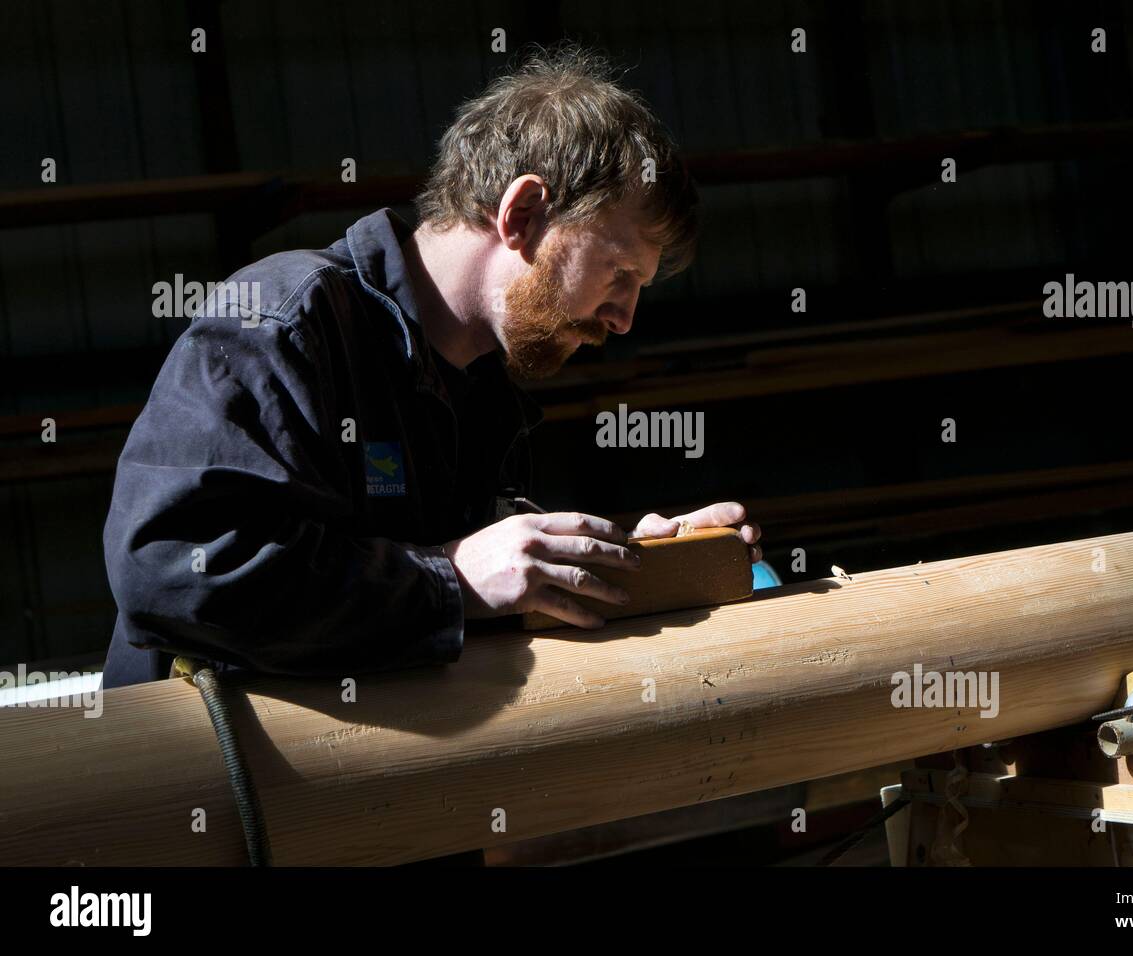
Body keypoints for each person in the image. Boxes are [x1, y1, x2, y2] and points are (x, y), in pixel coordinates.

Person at [101, 45, 761, 690]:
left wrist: (631, 565)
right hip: (200, 786)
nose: (624, 319)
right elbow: (168, 572)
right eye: (619, 271)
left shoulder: (484, 388)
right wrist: (453, 581)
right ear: (522, 214)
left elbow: (479, 592)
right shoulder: (284, 320)